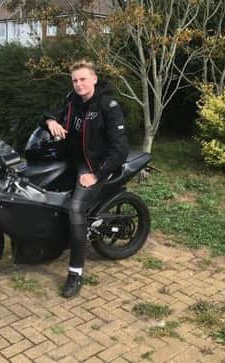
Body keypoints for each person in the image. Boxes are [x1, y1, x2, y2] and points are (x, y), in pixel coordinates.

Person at [43, 60, 129, 298]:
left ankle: (75, 272)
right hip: (71, 160)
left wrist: (97, 174)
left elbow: (120, 149)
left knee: (75, 208)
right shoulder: (72, 100)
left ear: (94, 79)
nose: (79, 84)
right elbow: (51, 113)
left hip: (95, 165)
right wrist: (51, 121)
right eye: (75, 80)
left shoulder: (107, 105)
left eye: (83, 79)